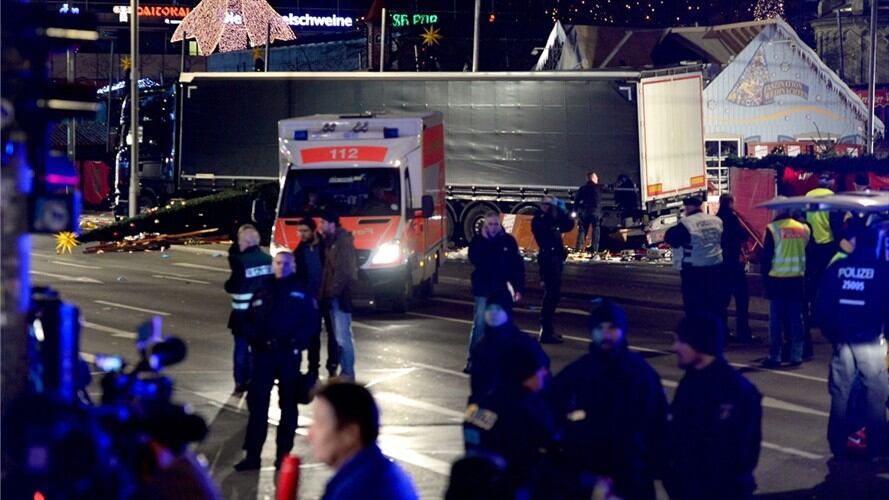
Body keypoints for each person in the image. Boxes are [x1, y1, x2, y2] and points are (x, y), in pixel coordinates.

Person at [547, 299, 667, 500]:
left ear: (622, 330)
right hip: (586, 468)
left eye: (611, 328)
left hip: (630, 470)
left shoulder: (640, 374)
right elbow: (552, 408)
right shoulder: (579, 372)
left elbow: (657, 422)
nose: (605, 334)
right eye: (599, 328)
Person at [234, 251, 318, 471]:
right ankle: (253, 455)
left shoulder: (301, 291)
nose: (281, 267)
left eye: (285, 263)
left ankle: (283, 455)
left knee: (288, 406)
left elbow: (311, 324)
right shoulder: (263, 289)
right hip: (263, 355)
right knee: (257, 406)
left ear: (293, 266)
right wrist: (254, 338)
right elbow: (248, 320)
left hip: (288, 354)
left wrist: (299, 346)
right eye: (278, 263)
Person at [664, 314, 762, 500]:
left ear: (698, 344)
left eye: (681, 341)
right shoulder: (691, 381)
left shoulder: (734, 392)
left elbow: (737, 454)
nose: (674, 347)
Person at [815, 221, 889, 460]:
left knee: (840, 393)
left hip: (843, 339)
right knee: (876, 395)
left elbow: (822, 306)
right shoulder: (882, 271)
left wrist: (834, 335)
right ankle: (875, 447)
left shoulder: (838, 268)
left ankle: (837, 444)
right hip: (871, 340)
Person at [463, 338, 558, 497]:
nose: (545, 374)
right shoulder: (525, 412)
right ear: (527, 374)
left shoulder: (479, 406)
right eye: (541, 369)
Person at [308, 382, 419, 500]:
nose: (310, 435)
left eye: (320, 423)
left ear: (350, 433)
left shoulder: (359, 489)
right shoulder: (379, 473)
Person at [465, 212, 525, 372]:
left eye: (495, 224)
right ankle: (473, 360)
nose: (493, 227)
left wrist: (518, 288)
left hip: (501, 289)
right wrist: (486, 241)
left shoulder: (508, 241)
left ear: (500, 224)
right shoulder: (478, 242)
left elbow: (517, 266)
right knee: (479, 325)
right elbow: (476, 259)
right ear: (485, 225)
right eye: (490, 224)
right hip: (483, 288)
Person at [469, 289, 549, 403]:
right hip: (491, 405)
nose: (493, 314)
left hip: (518, 404)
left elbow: (543, 368)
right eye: (490, 309)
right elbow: (477, 388)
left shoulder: (522, 342)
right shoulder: (481, 348)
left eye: (498, 310)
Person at [224, 224, 273, 395]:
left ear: (245, 242)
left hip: (242, 314)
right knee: (257, 350)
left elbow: (232, 285)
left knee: (241, 349)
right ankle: (253, 379)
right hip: (262, 314)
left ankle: (239, 382)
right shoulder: (268, 260)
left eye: (240, 241)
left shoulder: (240, 261)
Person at [760, 209, 811, 368]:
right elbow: (807, 249)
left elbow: (766, 258)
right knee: (797, 319)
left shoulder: (773, 228)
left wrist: (765, 281)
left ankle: (775, 356)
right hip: (797, 279)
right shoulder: (803, 228)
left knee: (776, 320)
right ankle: (797, 354)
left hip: (777, 280)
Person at [665, 197, 725, 318]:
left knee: (694, 305)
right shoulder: (716, 220)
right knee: (715, 303)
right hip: (716, 266)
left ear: (687, 208)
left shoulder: (687, 223)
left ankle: (696, 328)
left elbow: (671, 239)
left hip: (694, 269)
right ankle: (718, 327)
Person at [295, 217, 339, 378]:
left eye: (305, 231)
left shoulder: (325, 247)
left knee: (333, 334)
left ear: (314, 231)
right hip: (311, 299)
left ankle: (332, 365)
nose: (302, 234)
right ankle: (313, 367)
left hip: (327, 295)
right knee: (313, 334)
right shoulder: (300, 251)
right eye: (300, 231)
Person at [804, 174, 841, 357]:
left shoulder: (809, 195)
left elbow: (805, 218)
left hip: (812, 243)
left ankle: (811, 313)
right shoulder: (832, 198)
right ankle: (823, 314)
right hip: (827, 244)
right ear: (830, 183)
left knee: (812, 281)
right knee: (826, 282)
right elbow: (835, 223)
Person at [320, 209, 358, 380]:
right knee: (339, 336)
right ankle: (345, 371)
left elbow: (344, 271)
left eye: (323, 222)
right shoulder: (331, 240)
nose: (320, 226)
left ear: (331, 224)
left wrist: (333, 292)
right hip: (333, 294)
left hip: (340, 295)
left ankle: (348, 372)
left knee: (343, 336)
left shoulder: (342, 242)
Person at [531, 196, 575, 343]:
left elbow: (568, 226)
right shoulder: (539, 219)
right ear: (542, 205)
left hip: (555, 258)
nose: (549, 207)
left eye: (550, 205)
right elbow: (546, 230)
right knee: (550, 296)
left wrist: (563, 211)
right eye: (547, 204)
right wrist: (556, 211)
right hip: (548, 259)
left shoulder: (552, 218)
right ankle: (545, 332)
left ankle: (548, 330)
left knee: (554, 295)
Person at [717, 193, 754, 342]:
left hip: (721, 264)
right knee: (742, 299)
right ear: (730, 203)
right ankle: (743, 332)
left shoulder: (717, 219)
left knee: (721, 302)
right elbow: (743, 235)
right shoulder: (733, 218)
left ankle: (723, 332)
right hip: (734, 264)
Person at [574, 171, 602, 256]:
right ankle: (594, 250)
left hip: (584, 212)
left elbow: (576, 201)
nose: (597, 179)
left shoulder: (582, 188)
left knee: (582, 230)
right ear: (593, 178)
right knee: (596, 230)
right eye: (596, 177)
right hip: (595, 212)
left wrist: (576, 212)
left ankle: (578, 248)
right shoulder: (598, 188)